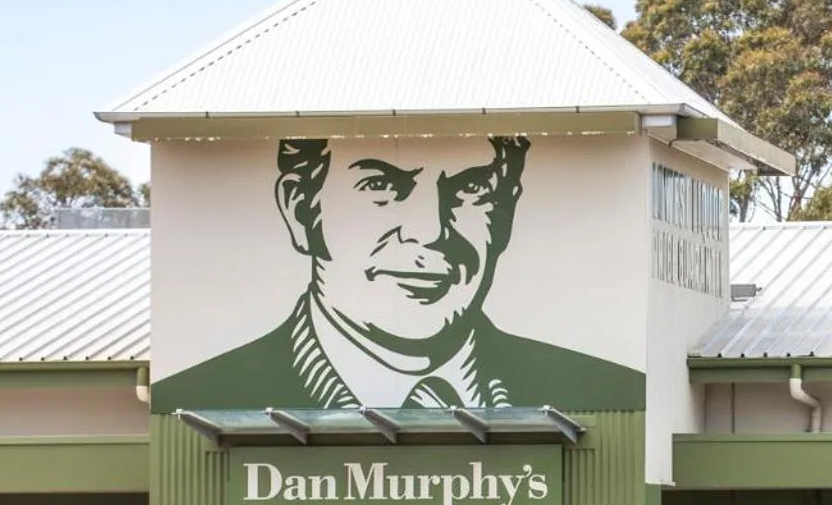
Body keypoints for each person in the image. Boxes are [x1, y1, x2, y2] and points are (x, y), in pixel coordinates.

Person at [153, 136, 642, 412]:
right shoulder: (191, 399)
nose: (429, 231)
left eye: (470, 188)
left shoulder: (611, 393)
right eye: (381, 185)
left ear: (507, 214)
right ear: (301, 209)